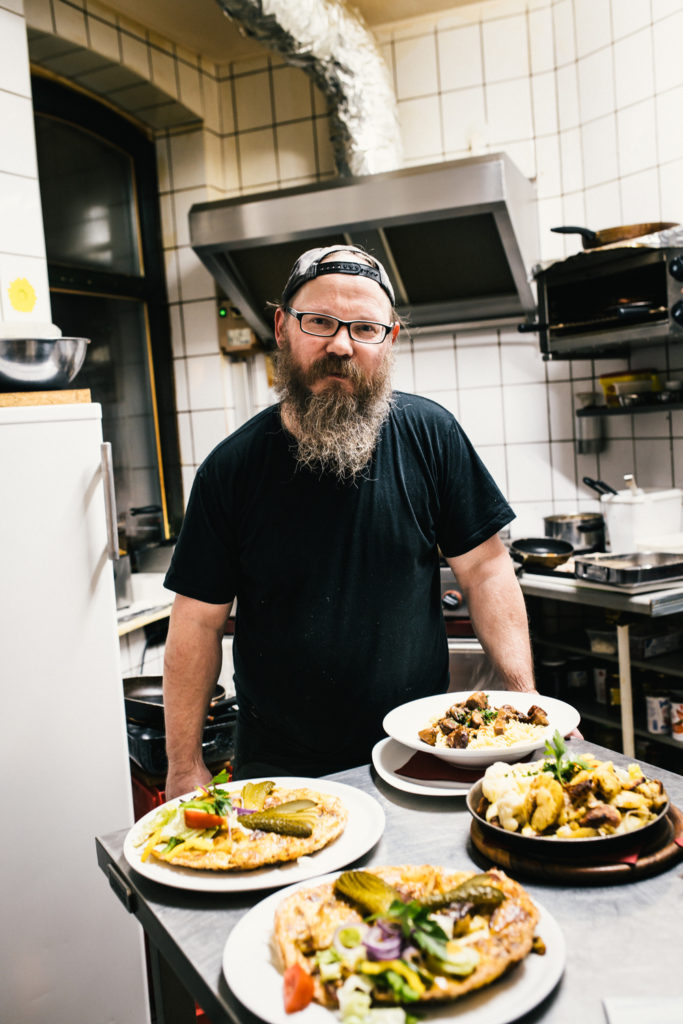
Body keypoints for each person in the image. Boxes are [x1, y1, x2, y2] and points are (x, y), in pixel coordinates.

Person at [162, 243, 536, 798]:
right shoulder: (232, 469)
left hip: (422, 753)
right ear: (283, 327)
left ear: (390, 341)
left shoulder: (431, 435)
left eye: (365, 328)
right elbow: (196, 623)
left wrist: (526, 704)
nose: (341, 345)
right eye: (320, 322)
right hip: (281, 772)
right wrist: (183, 764)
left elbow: (485, 570)